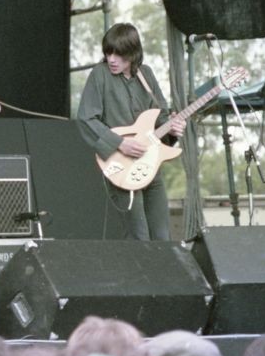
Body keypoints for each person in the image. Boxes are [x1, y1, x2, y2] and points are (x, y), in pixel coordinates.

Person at [77, 23, 185, 241]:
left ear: (133, 53)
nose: (112, 59)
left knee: (162, 236)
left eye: (118, 54)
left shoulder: (147, 75)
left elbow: (160, 116)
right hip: (121, 164)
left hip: (150, 164)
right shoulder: (99, 75)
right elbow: (86, 118)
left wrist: (173, 129)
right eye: (108, 52)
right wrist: (120, 143)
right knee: (139, 236)